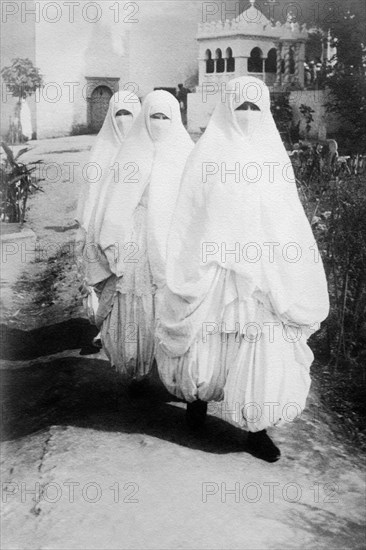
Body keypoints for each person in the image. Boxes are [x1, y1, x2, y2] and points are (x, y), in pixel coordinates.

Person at [155, 76, 329, 462]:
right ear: (226, 109)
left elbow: (288, 218)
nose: (247, 115)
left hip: (262, 273)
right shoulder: (206, 154)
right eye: (240, 107)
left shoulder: (272, 158)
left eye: (255, 108)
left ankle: (255, 428)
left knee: (259, 345)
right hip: (214, 267)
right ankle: (197, 400)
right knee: (207, 339)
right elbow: (188, 217)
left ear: (264, 111)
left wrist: (284, 260)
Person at [91, 90, 194, 382]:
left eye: (165, 117)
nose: (159, 123)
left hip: (173, 236)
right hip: (137, 236)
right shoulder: (131, 153)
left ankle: (171, 369)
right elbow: (114, 202)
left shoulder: (185, 153)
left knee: (170, 299)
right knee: (137, 300)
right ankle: (138, 365)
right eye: (153, 117)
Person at [75, 90, 141, 346]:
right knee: (105, 279)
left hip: (135, 227)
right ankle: (107, 328)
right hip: (101, 226)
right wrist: (86, 227)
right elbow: (89, 193)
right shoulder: (102, 151)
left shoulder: (146, 149)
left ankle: (128, 331)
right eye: (119, 114)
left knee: (129, 281)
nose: (124, 119)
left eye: (129, 114)